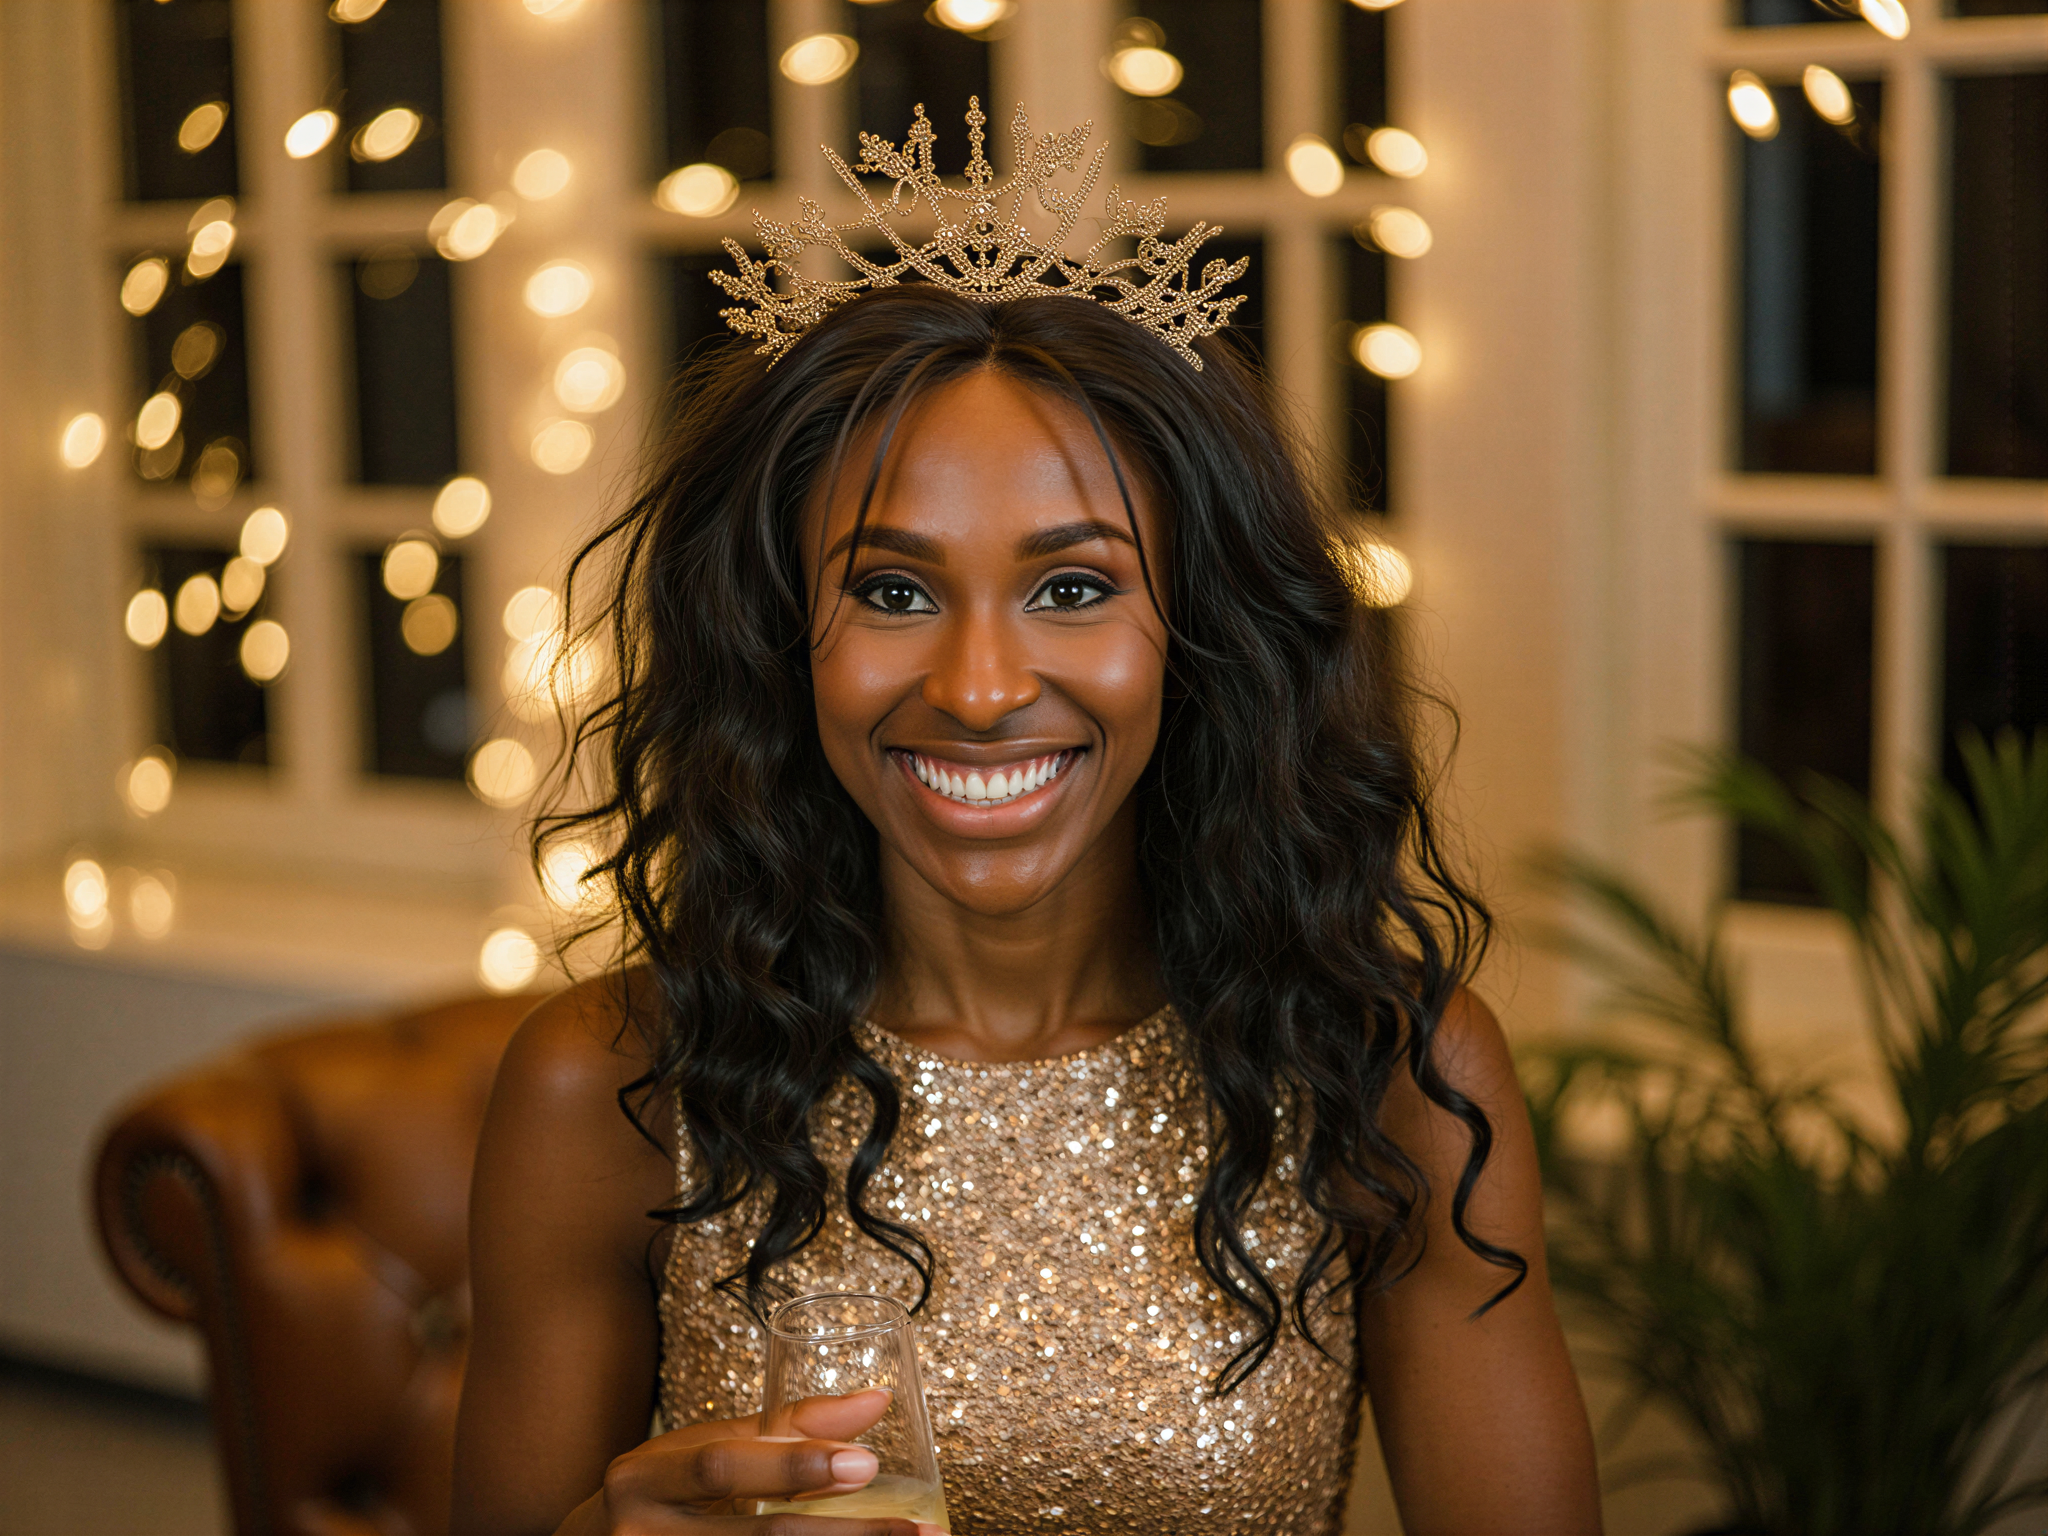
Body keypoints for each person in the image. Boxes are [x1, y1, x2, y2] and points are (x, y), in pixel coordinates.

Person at [452, 105, 1599, 1536]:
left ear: (1199, 635)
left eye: (1072, 588)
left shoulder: (1385, 1072)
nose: (981, 689)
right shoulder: (613, 1088)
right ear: (779, 640)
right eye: (892, 591)